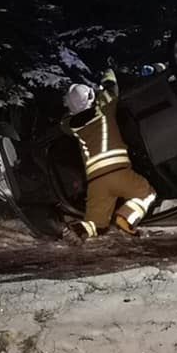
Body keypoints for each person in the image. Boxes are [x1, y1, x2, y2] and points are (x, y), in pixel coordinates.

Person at [61, 68, 157, 242]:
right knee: (147, 193)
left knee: (96, 225)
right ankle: (126, 218)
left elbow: (65, 123)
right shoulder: (104, 109)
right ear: (91, 97)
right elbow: (112, 87)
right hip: (118, 172)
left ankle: (78, 230)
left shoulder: (71, 126)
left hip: (96, 182)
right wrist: (108, 72)